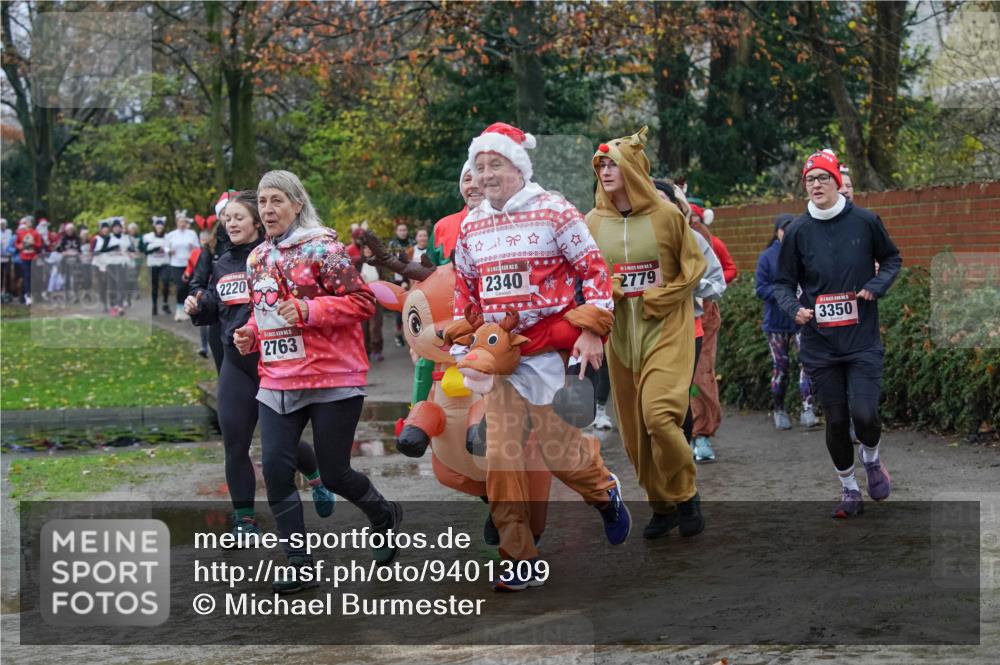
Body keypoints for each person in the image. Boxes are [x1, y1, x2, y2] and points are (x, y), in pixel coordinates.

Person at [447, 122, 629, 591]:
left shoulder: (555, 211)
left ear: (518, 167)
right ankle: (518, 558)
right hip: (502, 358)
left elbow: (594, 272)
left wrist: (591, 330)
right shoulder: (471, 224)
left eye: (496, 164)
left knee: (561, 456)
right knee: (502, 461)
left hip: (550, 348)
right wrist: (465, 345)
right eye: (479, 165)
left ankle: (605, 493)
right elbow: (466, 294)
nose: (485, 174)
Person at [233, 170, 398, 593]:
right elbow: (265, 310)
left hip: (333, 377)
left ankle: (383, 515)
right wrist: (250, 333)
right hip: (278, 379)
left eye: (277, 201)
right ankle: (299, 563)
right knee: (275, 467)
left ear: (297, 204)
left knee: (336, 472)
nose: (268, 210)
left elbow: (363, 303)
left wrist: (310, 312)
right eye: (263, 202)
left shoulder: (325, 250)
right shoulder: (257, 259)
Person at [185, 190, 336, 544]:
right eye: (227, 219)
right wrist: (198, 305)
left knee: (277, 444)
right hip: (235, 364)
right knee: (235, 443)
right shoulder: (220, 262)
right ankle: (245, 521)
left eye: (238, 217)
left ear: (255, 220)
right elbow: (218, 309)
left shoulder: (272, 258)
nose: (231, 224)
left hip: (272, 362)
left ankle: (317, 479)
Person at [587, 128, 707, 540]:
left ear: (633, 169)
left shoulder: (667, 216)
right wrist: (609, 291)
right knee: (635, 432)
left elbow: (694, 267)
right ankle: (662, 505)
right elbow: (587, 277)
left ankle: (686, 492)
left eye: (611, 164)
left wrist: (665, 295)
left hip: (667, 330)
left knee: (659, 416)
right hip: (620, 337)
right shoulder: (591, 223)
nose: (604, 170)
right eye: (600, 165)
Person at [774, 150, 901, 519]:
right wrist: (793, 308)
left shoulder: (865, 221)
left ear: (836, 182)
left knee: (864, 414)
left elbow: (892, 258)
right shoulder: (797, 231)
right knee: (836, 420)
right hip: (820, 344)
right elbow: (782, 282)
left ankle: (872, 460)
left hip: (861, 340)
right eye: (810, 180)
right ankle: (849, 489)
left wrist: (876, 285)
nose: (816, 185)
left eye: (823, 178)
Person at [756, 213, 817, 429]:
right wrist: (784, 294)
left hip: (802, 319)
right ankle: (779, 409)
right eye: (784, 230)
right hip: (777, 323)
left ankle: (807, 408)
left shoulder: (805, 253)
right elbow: (761, 288)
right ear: (777, 232)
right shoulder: (767, 257)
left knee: (807, 363)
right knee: (781, 366)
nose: (789, 234)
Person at [686, 203, 736, 462]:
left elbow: (726, 270)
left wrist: (702, 286)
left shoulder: (703, 238)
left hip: (702, 315)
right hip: (662, 319)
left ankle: (701, 432)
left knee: (699, 376)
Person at [165, 211, 200, 321]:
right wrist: (170, 251)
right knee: (180, 286)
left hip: (189, 264)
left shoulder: (192, 233)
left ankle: (188, 309)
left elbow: (198, 247)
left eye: (184, 222)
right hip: (176, 264)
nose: (182, 224)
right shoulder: (171, 234)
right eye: (180, 222)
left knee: (189, 287)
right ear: (177, 223)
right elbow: (165, 247)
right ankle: (179, 310)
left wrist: (192, 247)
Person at [387, 221, 414, 348]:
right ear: (396, 232)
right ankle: (398, 334)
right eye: (400, 230)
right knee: (399, 309)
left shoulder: (412, 243)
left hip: (412, 278)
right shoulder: (392, 244)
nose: (403, 232)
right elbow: (389, 262)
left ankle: (412, 334)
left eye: (405, 230)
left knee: (412, 306)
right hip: (397, 280)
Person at [141, 217, 171, 316]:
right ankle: (154, 306)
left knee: (166, 282)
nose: (159, 229)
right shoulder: (148, 237)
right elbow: (145, 251)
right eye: (157, 227)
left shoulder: (168, 237)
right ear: (154, 227)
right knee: (155, 286)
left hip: (164, 263)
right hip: (153, 264)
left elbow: (171, 249)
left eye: (161, 227)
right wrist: (156, 248)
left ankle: (165, 303)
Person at [14, 216, 42, 305]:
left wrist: (34, 244)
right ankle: (27, 295)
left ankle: (35, 294)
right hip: (24, 257)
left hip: (33, 257)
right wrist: (19, 246)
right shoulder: (21, 233)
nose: (29, 223)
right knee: (26, 276)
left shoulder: (35, 233)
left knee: (34, 276)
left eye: (30, 221)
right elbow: (17, 244)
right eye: (27, 221)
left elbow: (39, 245)